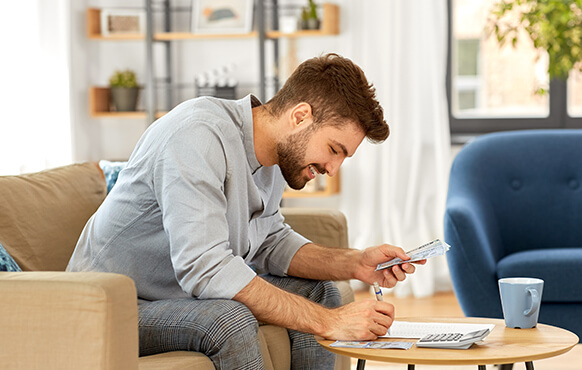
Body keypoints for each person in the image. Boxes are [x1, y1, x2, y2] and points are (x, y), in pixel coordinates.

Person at [67, 53, 425, 369]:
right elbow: (205, 269)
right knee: (229, 321)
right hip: (109, 304)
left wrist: (355, 263)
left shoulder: (271, 155)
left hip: (174, 297)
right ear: (300, 117)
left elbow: (269, 241)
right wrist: (328, 323)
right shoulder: (197, 135)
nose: (332, 168)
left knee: (322, 292)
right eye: (334, 149)